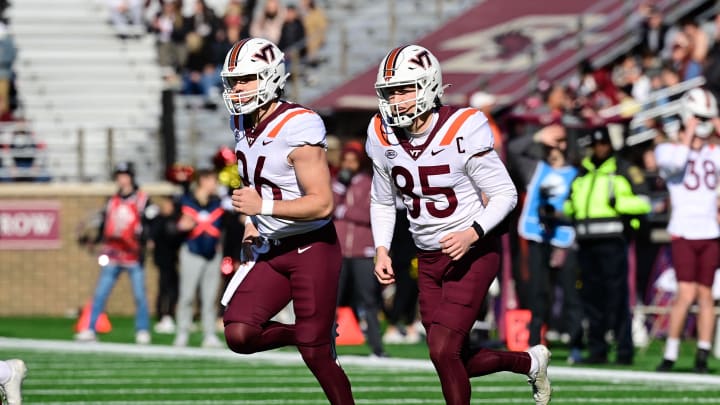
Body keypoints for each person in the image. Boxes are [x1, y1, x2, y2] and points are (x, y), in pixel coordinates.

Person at [366, 44, 551, 405]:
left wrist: (472, 233)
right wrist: (382, 248)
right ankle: (530, 361)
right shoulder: (381, 132)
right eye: (389, 91)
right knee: (449, 355)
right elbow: (383, 198)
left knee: (442, 348)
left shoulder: (462, 126)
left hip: (474, 252)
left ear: (428, 85)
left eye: (404, 89)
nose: (395, 100)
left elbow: (504, 194)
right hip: (428, 256)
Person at [219, 37, 354, 404]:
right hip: (271, 247)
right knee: (239, 334)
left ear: (269, 77)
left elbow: (322, 204)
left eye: (244, 79)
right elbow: (253, 178)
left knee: (316, 356)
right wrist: (251, 223)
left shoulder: (299, 124)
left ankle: (315, 337)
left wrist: (263, 207)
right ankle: (312, 332)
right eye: (232, 81)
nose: (236, 89)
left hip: (311, 246)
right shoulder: (241, 119)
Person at [564, 126, 651, 365]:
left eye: (604, 144)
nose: (600, 148)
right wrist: (567, 208)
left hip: (612, 241)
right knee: (592, 299)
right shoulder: (583, 172)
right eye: (596, 144)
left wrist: (620, 203)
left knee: (616, 296)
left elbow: (645, 203)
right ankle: (597, 350)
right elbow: (570, 203)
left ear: (610, 145)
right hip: (585, 242)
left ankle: (624, 351)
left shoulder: (623, 169)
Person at [655, 88, 720, 373]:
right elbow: (677, 162)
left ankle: (703, 354)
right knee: (685, 294)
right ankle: (671, 352)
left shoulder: (714, 152)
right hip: (683, 230)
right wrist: (690, 129)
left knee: (706, 295)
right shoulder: (667, 149)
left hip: (710, 231)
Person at [509, 125, 583, 364]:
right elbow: (513, 150)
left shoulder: (576, 173)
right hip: (537, 236)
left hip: (563, 238)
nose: (556, 148)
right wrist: (538, 136)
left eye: (561, 142)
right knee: (538, 292)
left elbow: (580, 207)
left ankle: (575, 345)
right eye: (553, 143)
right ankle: (534, 343)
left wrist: (560, 215)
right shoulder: (536, 169)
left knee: (570, 293)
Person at [75, 162, 152, 344]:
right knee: (100, 293)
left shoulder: (142, 199)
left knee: (140, 295)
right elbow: (105, 225)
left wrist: (145, 240)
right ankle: (90, 328)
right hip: (113, 254)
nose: (122, 179)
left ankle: (142, 330)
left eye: (125, 175)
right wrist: (94, 240)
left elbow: (151, 224)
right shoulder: (112, 201)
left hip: (133, 255)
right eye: (119, 176)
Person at [333, 140, 386, 357]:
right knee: (331, 299)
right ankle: (323, 344)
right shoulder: (336, 182)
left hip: (362, 251)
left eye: (353, 161)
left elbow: (370, 214)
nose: (349, 165)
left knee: (369, 299)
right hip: (338, 250)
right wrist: (338, 191)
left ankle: (377, 347)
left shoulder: (369, 183)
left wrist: (344, 210)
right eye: (346, 160)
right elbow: (326, 208)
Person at [173, 168, 226, 348]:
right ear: (203, 180)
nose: (215, 185)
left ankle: (209, 334)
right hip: (191, 252)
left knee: (210, 298)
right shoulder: (185, 200)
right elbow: (171, 225)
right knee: (187, 295)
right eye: (213, 180)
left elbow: (226, 226)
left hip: (212, 253)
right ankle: (182, 333)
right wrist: (180, 226)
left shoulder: (217, 202)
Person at [147, 193, 183, 334]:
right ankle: (162, 315)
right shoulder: (159, 220)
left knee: (173, 289)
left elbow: (177, 238)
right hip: (162, 260)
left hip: (172, 259)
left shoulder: (174, 220)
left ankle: (169, 314)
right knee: (164, 288)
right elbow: (153, 237)